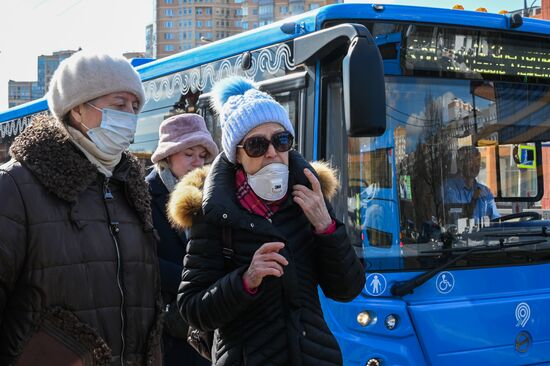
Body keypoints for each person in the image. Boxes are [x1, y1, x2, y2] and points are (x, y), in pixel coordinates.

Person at [167, 76, 365, 365]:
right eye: (257, 145)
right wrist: (247, 279)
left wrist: (326, 227)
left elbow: (348, 289)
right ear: (237, 153)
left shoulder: (309, 197)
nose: (272, 153)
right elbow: (193, 308)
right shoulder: (212, 213)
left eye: (281, 140)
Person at [0, 52, 162, 365]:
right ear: (77, 108)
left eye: (135, 106)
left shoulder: (131, 189)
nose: (130, 115)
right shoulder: (16, 187)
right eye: (119, 104)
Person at [146, 113, 218, 366]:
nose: (196, 163)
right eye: (188, 154)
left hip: (204, 321)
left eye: (202, 155)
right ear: (168, 156)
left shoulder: (210, 194)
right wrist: (195, 278)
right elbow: (144, 260)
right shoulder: (145, 194)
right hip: (166, 327)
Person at [443, 145, 499, 220]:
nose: (475, 166)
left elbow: (496, 219)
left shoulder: (485, 191)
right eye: (470, 161)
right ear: (460, 164)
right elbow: (455, 217)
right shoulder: (449, 188)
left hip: (484, 232)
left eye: (477, 162)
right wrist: (474, 199)